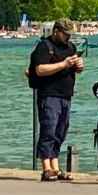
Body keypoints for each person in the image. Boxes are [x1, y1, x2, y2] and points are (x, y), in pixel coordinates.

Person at [27, 20, 81, 181]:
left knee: (61, 131)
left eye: (70, 34)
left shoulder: (71, 47)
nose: (68, 37)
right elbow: (40, 69)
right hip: (48, 94)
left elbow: (75, 69)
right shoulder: (44, 46)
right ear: (56, 31)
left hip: (66, 94)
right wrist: (63, 64)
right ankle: (46, 167)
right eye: (65, 34)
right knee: (48, 129)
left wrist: (78, 65)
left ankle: (56, 167)